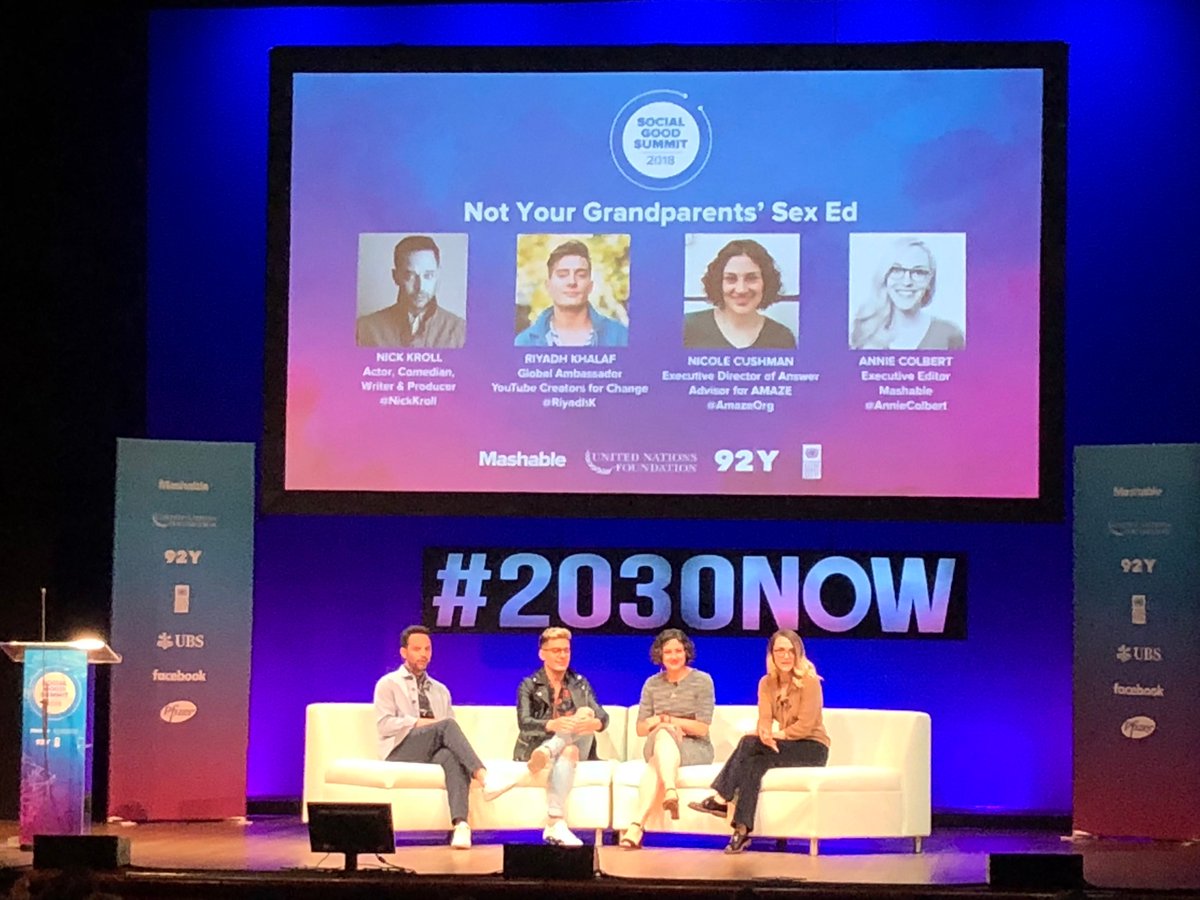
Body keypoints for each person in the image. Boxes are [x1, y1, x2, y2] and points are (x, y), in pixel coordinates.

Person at [688, 629, 829, 854]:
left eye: (791, 651)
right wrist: (764, 732)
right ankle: (741, 830)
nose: (785, 656)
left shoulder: (810, 682)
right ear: (772, 654)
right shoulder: (766, 683)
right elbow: (764, 718)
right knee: (754, 763)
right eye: (780, 650)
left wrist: (772, 736)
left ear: (798, 654)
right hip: (785, 745)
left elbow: (806, 726)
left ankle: (721, 797)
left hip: (812, 747)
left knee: (748, 742)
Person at [374, 625, 504, 849]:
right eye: (417, 649)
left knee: (452, 758)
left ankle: (461, 825)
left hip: (430, 750)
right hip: (399, 749)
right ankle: (484, 777)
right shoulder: (388, 684)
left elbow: (448, 733)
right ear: (403, 652)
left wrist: (436, 728)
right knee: (446, 726)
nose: (423, 654)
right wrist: (417, 722)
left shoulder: (440, 690)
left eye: (427, 649)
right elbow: (384, 725)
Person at [491, 627, 608, 847]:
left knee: (585, 712)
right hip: (537, 745)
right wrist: (552, 724)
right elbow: (525, 723)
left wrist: (594, 723)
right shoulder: (528, 684)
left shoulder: (579, 683)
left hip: (571, 742)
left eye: (566, 650)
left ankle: (549, 750)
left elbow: (602, 716)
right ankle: (555, 821)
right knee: (569, 750)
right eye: (556, 651)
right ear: (542, 654)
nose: (562, 655)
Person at [620, 629, 714, 850]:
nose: (674, 656)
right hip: (657, 743)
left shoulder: (702, 681)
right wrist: (663, 725)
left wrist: (668, 720)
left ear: (686, 652)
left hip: (695, 746)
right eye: (668, 652)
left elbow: (701, 728)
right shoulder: (652, 684)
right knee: (663, 735)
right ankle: (670, 790)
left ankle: (636, 826)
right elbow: (641, 729)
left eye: (678, 651)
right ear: (660, 655)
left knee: (656, 762)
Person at [850, 237, 964, 350]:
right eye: (896, 270)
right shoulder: (863, 331)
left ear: (930, 281)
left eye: (919, 272)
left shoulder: (949, 335)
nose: (907, 282)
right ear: (885, 276)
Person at [684, 239, 796, 350]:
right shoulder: (686, 328)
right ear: (717, 283)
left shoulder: (782, 338)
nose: (741, 289)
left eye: (751, 278)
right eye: (731, 278)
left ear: (766, 282)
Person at [356, 235, 466, 348]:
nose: (420, 287)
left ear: (437, 276)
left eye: (428, 275)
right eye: (410, 276)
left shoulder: (460, 332)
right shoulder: (365, 330)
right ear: (395, 276)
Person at [515, 239, 629, 347]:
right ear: (548, 286)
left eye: (581, 275)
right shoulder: (524, 342)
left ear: (590, 286)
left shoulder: (620, 337)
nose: (572, 282)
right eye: (562, 275)